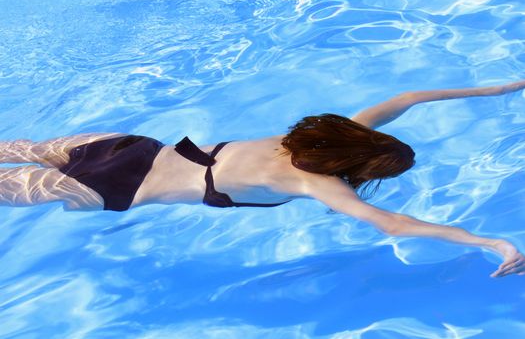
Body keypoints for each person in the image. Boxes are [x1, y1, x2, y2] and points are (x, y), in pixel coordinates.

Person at [1, 80, 524, 277]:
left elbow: (407, 98)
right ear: (362, 168)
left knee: (17, 147)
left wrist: (502, 89)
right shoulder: (319, 183)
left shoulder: (329, 135)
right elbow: (392, 224)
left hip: (123, 146)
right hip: (112, 188)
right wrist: (489, 240)